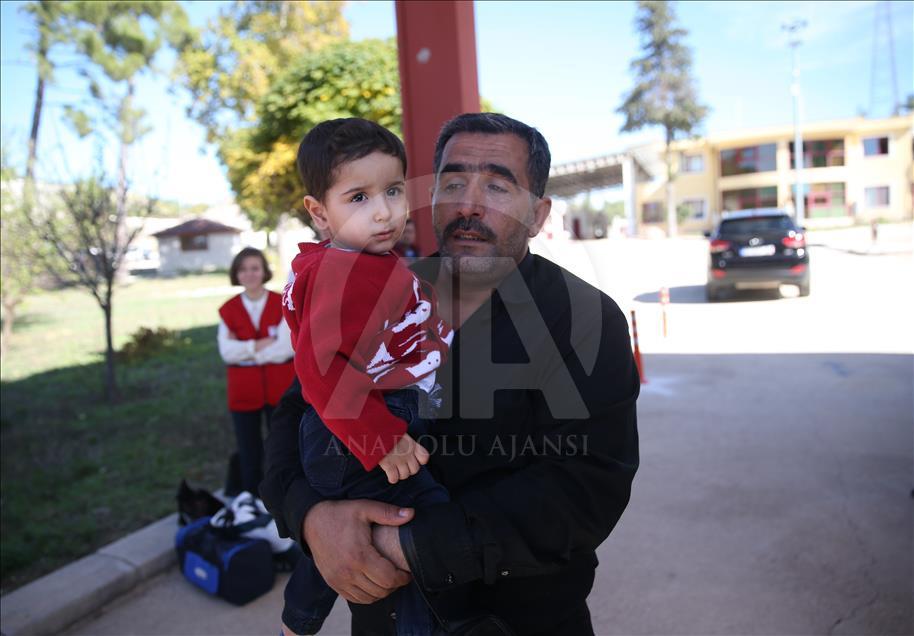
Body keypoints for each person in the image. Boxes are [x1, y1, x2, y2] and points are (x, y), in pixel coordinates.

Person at [261, 113, 640, 635]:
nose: (469, 206)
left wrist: (397, 542)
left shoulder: (584, 318)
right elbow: (296, 413)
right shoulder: (376, 286)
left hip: (522, 621)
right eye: (454, 183)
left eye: (498, 187)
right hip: (381, 620)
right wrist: (311, 518)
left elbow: (583, 490)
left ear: (538, 213)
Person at [279, 118, 457, 635]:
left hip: (352, 426)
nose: (384, 212)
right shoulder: (343, 269)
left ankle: (300, 619)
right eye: (358, 197)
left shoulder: (365, 260)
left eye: (394, 191)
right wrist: (381, 441)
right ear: (320, 213)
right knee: (425, 528)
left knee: (351, 529)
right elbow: (319, 369)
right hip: (357, 430)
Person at [218, 247, 295, 495]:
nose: (249, 274)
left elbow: (285, 348)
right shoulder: (228, 309)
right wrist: (258, 344)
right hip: (243, 391)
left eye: (254, 268)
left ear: (263, 271)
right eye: (243, 269)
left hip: (280, 387)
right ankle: (251, 499)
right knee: (248, 449)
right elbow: (226, 352)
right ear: (236, 274)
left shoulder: (281, 303)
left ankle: (284, 496)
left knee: (283, 446)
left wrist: (246, 352)